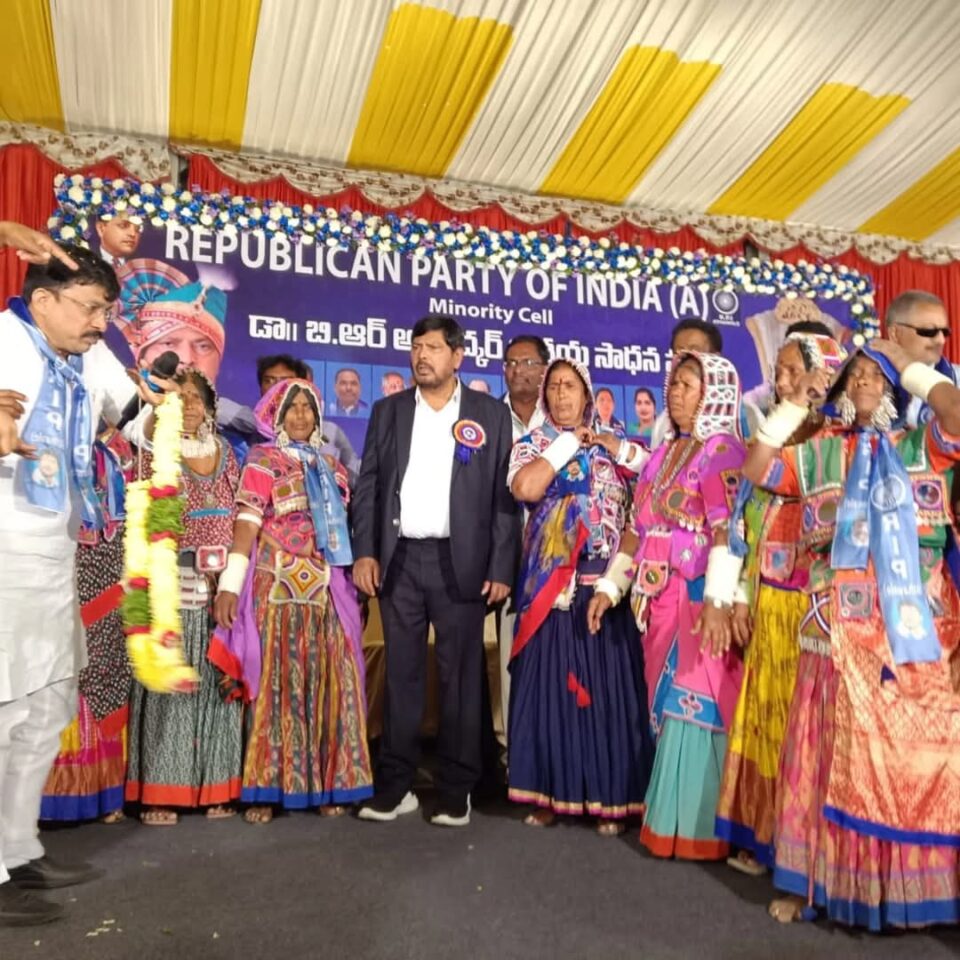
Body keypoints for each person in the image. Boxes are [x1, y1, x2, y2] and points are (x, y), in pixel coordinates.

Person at [745, 340, 960, 929]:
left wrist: (910, 364)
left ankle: (909, 891)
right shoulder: (819, 453)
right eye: (855, 373)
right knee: (824, 757)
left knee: (910, 760)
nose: (864, 380)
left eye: (876, 374)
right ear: (840, 389)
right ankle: (815, 884)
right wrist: (796, 402)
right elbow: (757, 467)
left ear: (894, 388)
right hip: (835, 630)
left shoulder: (920, 447)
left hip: (910, 637)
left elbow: (955, 414)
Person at [0, 244, 166, 927]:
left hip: (56, 551)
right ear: (42, 301)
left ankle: (16, 850)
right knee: (4, 711)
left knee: (46, 710)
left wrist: (164, 412)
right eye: (91, 308)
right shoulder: (5, 341)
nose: (102, 323)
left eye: (107, 310)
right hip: (4, 552)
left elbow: (134, 417)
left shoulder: (88, 355)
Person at [352, 315, 518, 827]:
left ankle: (455, 789)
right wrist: (365, 552)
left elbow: (503, 497)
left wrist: (501, 565)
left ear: (458, 356)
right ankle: (396, 785)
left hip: (461, 563)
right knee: (401, 675)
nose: (422, 356)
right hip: (400, 560)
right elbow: (369, 485)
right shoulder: (389, 411)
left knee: (460, 679)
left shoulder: (490, 414)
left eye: (433, 348)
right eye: (416, 346)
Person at [589, 351, 746, 860]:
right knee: (664, 704)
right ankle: (670, 822)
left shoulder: (722, 451)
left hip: (699, 596)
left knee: (693, 706)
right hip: (655, 600)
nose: (675, 393)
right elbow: (636, 530)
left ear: (713, 393)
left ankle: (699, 829)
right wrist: (610, 587)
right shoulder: (662, 454)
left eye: (687, 385)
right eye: (673, 384)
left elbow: (728, 531)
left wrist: (718, 601)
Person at [715, 332, 845, 876]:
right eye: (781, 371)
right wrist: (739, 596)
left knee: (805, 732)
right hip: (768, 599)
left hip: (817, 610)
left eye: (795, 371)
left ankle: (803, 850)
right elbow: (743, 520)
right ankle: (764, 833)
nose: (784, 381)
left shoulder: (838, 443)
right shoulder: (767, 437)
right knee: (766, 722)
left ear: (825, 380)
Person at [213, 379, 372, 823]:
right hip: (277, 586)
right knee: (276, 686)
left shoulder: (334, 466)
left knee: (332, 683)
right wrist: (230, 583)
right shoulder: (262, 459)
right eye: (292, 407)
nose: (301, 415)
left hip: (327, 589)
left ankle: (329, 785)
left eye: (308, 408)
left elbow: (347, 530)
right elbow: (247, 522)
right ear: (276, 415)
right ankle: (266, 788)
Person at [507, 358, 653, 834]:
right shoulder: (534, 444)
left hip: (606, 587)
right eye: (553, 387)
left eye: (570, 386)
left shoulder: (614, 446)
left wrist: (610, 444)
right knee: (551, 696)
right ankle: (549, 793)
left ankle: (612, 799)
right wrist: (568, 443)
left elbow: (651, 486)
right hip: (551, 589)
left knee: (609, 698)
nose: (561, 394)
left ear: (587, 394)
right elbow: (526, 488)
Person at [126, 369, 243, 825]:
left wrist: (231, 582)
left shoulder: (227, 454)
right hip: (172, 584)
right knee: (171, 689)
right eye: (181, 398)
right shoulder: (157, 450)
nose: (189, 405)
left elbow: (241, 518)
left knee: (218, 691)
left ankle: (217, 787)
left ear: (210, 407)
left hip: (221, 590)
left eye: (196, 398)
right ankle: (162, 791)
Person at [40, 429, 134, 825]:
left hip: (110, 576)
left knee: (106, 670)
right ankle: (50, 799)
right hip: (56, 574)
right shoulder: (41, 447)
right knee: (57, 673)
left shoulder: (118, 451)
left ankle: (104, 793)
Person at [497, 335, 549, 747]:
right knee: (508, 658)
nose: (517, 370)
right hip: (506, 559)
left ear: (545, 369)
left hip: (556, 558)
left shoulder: (563, 420)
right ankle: (512, 751)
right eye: (511, 363)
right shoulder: (486, 418)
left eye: (527, 362)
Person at [650, 319, 761, 447]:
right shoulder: (664, 423)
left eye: (694, 351)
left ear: (716, 359)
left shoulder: (746, 415)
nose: (686, 358)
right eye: (678, 353)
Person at [257, 354, 360, 483]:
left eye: (285, 380)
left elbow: (355, 475)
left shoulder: (329, 431)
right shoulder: (250, 432)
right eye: (269, 381)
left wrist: (332, 468)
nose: (277, 387)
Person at [885, 290, 960, 428]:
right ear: (895, 334)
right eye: (929, 331)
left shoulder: (957, 378)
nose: (941, 340)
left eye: (945, 332)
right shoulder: (868, 378)